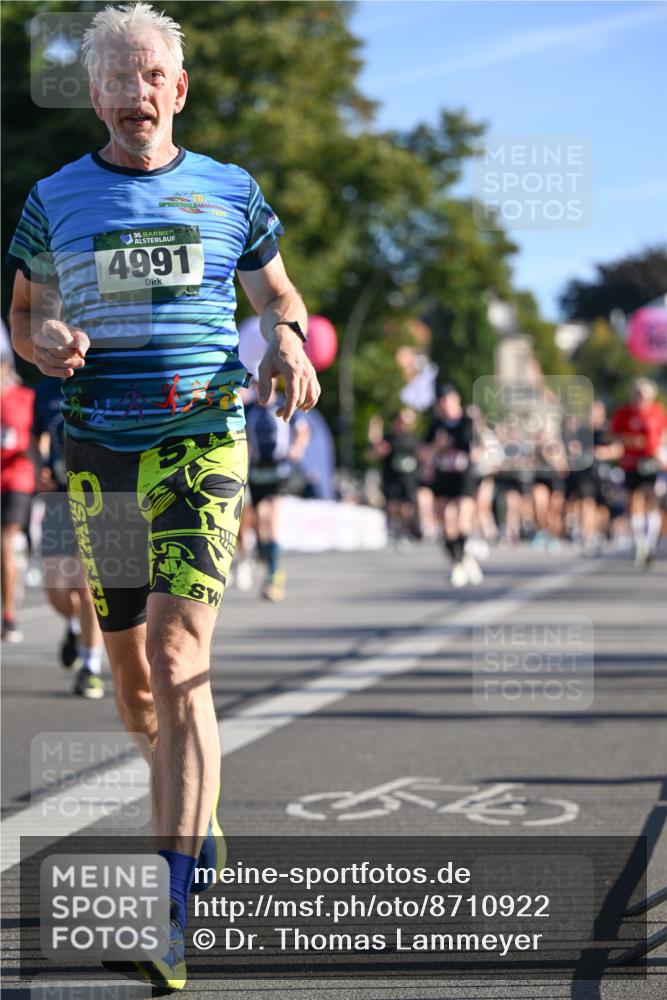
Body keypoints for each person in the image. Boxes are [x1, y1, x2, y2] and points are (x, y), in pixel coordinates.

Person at [7, 3, 320, 991]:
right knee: (134, 679)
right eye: (119, 77)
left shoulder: (233, 192)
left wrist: (289, 340)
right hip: (99, 449)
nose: (137, 92)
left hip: (200, 441)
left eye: (154, 77)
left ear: (176, 91)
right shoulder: (52, 200)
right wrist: (42, 342)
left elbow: (281, 297)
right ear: (94, 94)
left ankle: (172, 909)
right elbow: (25, 315)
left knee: (184, 653)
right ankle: (198, 804)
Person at [33, 378, 106, 696]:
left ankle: (90, 666)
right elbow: (34, 435)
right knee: (56, 589)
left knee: (88, 589)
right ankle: (76, 626)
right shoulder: (45, 388)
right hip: (59, 497)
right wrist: (39, 467)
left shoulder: (104, 375)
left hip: (98, 499)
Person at [245, 384, 310, 600]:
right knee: (259, 520)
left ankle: (273, 574)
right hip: (256, 471)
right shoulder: (249, 409)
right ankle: (266, 557)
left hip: (279, 469)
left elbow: (302, 431)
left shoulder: (284, 404)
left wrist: (297, 448)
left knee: (271, 519)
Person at [424, 385, 482, 587]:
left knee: (463, 518)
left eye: (447, 400)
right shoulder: (436, 425)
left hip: (463, 475)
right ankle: (458, 561)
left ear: (456, 400)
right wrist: (438, 446)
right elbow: (424, 451)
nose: (445, 405)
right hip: (443, 476)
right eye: (441, 401)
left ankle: (463, 558)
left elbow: (476, 445)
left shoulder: (468, 422)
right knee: (447, 522)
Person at [610, 378, 667, 567]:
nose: (641, 398)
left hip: (652, 462)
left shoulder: (658, 412)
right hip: (631, 463)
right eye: (638, 394)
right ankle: (639, 542)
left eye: (645, 395)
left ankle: (650, 543)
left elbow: (663, 434)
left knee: (652, 501)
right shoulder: (624, 412)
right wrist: (630, 440)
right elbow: (613, 433)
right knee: (634, 502)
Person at [1, 357, 36, 642]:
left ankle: (9, 614)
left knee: (5, 541)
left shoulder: (24, 397)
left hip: (16, 479)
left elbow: (29, 438)